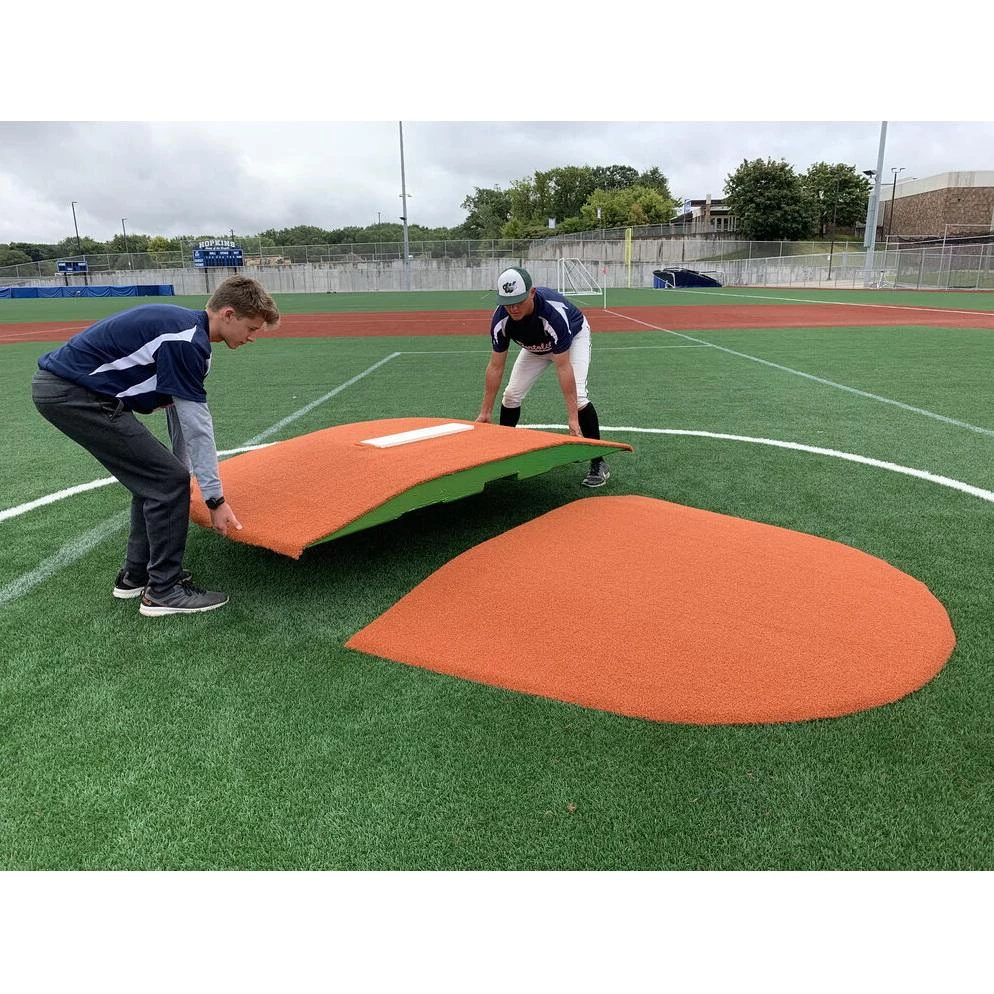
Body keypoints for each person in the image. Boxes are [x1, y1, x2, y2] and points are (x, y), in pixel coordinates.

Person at [31, 275, 280, 617]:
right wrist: (214, 498)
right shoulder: (186, 341)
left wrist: (180, 473)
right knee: (164, 480)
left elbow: (178, 417)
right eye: (251, 328)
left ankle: (137, 576)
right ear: (228, 314)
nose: (252, 338)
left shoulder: (192, 337)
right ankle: (164, 589)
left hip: (72, 393)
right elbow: (198, 428)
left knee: (158, 478)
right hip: (72, 395)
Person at [476, 266, 610, 487]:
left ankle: (598, 462)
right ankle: (505, 454)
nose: (513, 308)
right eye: (508, 303)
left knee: (580, 399)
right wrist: (485, 412)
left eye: (519, 301)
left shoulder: (552, 313)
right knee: (511, 395)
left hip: (572, 339)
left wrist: (572, 418)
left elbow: (563, 366)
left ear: (532, 292)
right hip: (534, 347)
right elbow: (496, 366)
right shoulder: (501, 320)